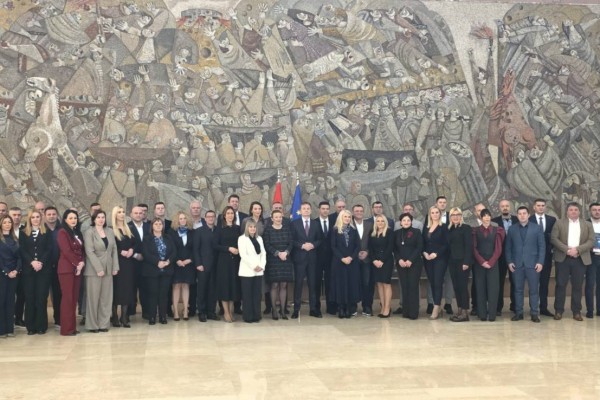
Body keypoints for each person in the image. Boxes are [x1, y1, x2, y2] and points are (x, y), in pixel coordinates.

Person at [550, 202, 595, 321]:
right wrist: (567, 250)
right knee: (560, 285)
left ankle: (576, 311)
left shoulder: (587, 224)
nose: (573, 212)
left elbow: (591, 240)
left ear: (579, 212)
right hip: (563, 258)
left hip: (580, 258)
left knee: (577, 286)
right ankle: (558, 311)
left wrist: (578, 250)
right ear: (567, 212)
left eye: (576, 210)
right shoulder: (559, 223)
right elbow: (554, 238)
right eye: (571, 210)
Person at [505, 206, 545, 323]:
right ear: (517, 215)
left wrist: (540, 262)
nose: (522, 215)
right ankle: (519, 313)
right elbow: (508, 248)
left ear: (528, 215)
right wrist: (509, 261)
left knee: (534, 290)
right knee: (518, 290)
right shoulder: (512, 229)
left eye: (524, 213)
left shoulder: (537, 228)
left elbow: (542, 247)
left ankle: (534, 313)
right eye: (520, 214)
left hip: (533, 264)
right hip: (517, 264)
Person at [83, 210, 119, 333]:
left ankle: (103, 324)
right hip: (94, 270)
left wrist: (115, 267)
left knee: (106, 298)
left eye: (103, 217)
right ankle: (92, 325)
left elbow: (114, 250)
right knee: (93, 299)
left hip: (108, 269)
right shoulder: (89, 232)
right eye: (98, 217)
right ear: (94, 219)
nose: (101, 219)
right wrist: (99, 269)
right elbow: (89, 252)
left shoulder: (110, 231)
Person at [20, 210, 51, 335]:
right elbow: (22, 250)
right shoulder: (23, 233)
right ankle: (31, 327)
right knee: (30, 298)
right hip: (28, 271)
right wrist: (32, 262)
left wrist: (41, 262)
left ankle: (41, 326)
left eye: (38, 217)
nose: (35, 219)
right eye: (33, 217)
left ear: (41, 218)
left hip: (43, 271)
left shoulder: (47, 232)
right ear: (29, 219)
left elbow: (49, 249)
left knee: (41, 298)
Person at [290, 202, 322, 318]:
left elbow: (320, 239)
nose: (306, 210)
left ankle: (313, 309)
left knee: (312, 285)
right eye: (304, 208)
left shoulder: (316, 224)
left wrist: (313, 245)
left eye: (308, 208)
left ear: (311, 210)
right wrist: (302, 246)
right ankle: (296, 310)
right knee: (298, 284)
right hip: (299, 258)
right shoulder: (294, 224)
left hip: (312, 259)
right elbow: (291, 240)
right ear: (300, 211)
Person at [473, 209, 505, 321]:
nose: (486, 218)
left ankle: (492, 315)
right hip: (479, 264)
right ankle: (482, 314)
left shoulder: (498, 230)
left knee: (493, 289)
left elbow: (498, 248)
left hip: (493, 263)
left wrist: (491, 262)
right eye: (484, 216)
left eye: (488, 215)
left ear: (491, 217)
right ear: (481, 218)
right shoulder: (475, 230)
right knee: (480, 288)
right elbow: (473, 248)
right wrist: (482, 261)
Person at [142, 218, 175, 325]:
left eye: (160, 224)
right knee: (153, 294)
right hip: (152, 270)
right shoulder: (147, 238)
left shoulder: (168, 237)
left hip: (166, 269)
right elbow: (146, 253)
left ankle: (163, 316)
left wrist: (168, 261)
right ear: (152, 226)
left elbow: (174, 251)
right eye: (156, 224)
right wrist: (157, 262)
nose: (158, 225)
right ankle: (152, 316)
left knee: (164, 295)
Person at [57, 209, 85, 336]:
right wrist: (78, 264)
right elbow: (67, 251)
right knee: (67, 298)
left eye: (75, 218)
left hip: (77, 269)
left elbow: (82, 250)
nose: (73, 220)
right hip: (67, 269)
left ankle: (72, 327)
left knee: (74, 298)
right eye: (71, 218)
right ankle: (66, 329)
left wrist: (82, 262)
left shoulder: (77, 232)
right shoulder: (62, 232)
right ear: (65, 220)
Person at [263, 210, 293, 320]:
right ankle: (274, 311)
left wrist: (286, 252)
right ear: (272, 218)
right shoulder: (268, 230)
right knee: (274, 285)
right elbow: (267, 245)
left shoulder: (287, 228)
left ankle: (283, 311)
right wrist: (278, 253)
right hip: (273, 260)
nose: (278, 219)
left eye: (280, 217)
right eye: (276, 217)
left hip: (285, 259)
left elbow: (291, 243)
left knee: (284, 285)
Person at [330, 210, 361, 318]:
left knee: (350, 284)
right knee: (340, 285)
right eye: (345, 217)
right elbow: (333, 246)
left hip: (352, 262)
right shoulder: (335, 230)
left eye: (349, 217)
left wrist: (351, 257)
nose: (347, 218)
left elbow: (358, 246)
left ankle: (349, 308)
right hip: (339, 262)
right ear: (341, 218)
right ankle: (341, 308)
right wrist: (342, 258)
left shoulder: (353, 230)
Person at [529, 198, 556, 317]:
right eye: (538, 205)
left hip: (546, 257)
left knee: (544, 283)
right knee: (533, 284)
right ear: (534, 207)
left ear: (545, 207)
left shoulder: (552, 220)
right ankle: (533, 308)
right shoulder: (529, 220)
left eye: (543, 205)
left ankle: (544, 308)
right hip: (532, 257)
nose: (541, 207)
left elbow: (554, 237)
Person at [111, 206, 137, 328]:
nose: (121, 214)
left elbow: (135, 243)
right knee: (116, 289)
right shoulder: (111, 230)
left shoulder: (129, 228)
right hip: (117, 263)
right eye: (119, 212)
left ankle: (124, 317)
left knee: (127, 289)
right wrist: (120, 251)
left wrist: (132, 249)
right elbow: (110, 247)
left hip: (128, 264)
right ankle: (115, 316)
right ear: (115, 215)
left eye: (123, 212)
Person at [394, 213, 423, 320]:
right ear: (400, 222)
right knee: (404, 286)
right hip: (401, 264)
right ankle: (405, 311)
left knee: (412, 287)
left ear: (411, 222)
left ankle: (413, 312)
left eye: (408, 220)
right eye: (404, 220)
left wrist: (410, 260)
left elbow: (419, 247)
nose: (406, 222)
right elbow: (395, 249)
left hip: (414, 263)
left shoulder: (416, 232)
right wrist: (399, 259)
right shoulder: (397, 233)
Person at [447, 207, 473, 322]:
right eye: (453, 215)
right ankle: (459, 309)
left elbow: (469, 246)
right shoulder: (449, 229)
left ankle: (465, 313)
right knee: (456, 286)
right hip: (452, 262)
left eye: (458, 214)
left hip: (463, 262)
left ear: (461, 216)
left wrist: (466, 262)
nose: (455, 217)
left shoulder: (466, 228)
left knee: (463, 286)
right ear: (450, 217)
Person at [215, 206, 241, 323]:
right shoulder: (219, 230)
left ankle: (231, 310)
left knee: (233, 286)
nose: (230, 215)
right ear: (224, 216)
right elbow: (215, 245)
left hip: (235, 261)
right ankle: (226, 312)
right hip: (224, 262)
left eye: (232, 213)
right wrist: (228, 248)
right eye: (228, 213)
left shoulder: (238, 228)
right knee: (225, 287)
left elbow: (242, 242)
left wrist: (239, 249)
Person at [491, 199, 518, 315]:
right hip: (500, 257)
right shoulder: (494, 221)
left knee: (515, 282)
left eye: (507, 206)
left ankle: (515, 306)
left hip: (515, 256)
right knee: (499, 282)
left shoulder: (517, 220)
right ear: (499, 208)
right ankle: (498, 307)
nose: (505, 208)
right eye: (502, 206)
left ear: (510, 207)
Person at [422, 206, 449, 320]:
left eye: (437, 212)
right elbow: (422, 242)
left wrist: (436, 254)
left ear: (440, 214)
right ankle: (436, 304)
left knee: (438, 282)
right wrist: (424, 253)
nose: (435, 214)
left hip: (440, 259)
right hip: (427, 259)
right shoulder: (426, 227)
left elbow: (446, 244)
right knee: (432, 282)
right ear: (430, 214)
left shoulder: (444, 227)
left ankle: (436, 307)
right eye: (432, 212)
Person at [238, 220, 266, 323]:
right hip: (247, 271)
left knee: (257, 295)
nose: (253, 229)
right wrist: (254, 266)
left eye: (254, 227)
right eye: (250, 227)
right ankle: (248, 316)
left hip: (259, 271)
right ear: (247, 228)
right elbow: (243, 255)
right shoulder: (242, 239)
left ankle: (256, 315)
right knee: (247, 295)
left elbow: (263, 253)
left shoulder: (259, 238)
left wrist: (261, 266)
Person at [193, 210, 219, 322]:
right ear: (205, 218)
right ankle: (202, 312)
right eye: (208, 216)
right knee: (202, 289)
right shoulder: (199, 231)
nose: (211, 218)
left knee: (213, 289)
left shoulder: (218, 230)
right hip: (203, 265)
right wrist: (198, 263)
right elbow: (195, 249)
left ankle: (211, 312)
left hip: (216, 265)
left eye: (213, 216)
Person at [169, 211, 195, 321]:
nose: (183, 220)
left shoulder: (192, 232)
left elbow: (195, 248)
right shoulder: (172, 232)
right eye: (180, 218)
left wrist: (190, 259)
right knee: (176, 286)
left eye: (184, 218)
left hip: (188, 264)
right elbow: (171, 248)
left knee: (185, 286)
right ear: (177, 220)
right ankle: (175, 311)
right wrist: (177, 260)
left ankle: (185, 311)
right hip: (176, 263)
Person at [369, 215, 394, 317]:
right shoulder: (372, 232)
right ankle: (382, 307)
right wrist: (374, 260)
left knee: (386, 284)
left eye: (382, 221)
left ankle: (387, 308)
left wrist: (382, 261)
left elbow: (390, 247)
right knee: (379, 284)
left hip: (386, 261)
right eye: (378, 221)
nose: (380, 223)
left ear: (385, 222)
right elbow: (370, 248)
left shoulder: (389, 232)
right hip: (375, 261)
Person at [0, 215, 21, 338]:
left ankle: (10, 329)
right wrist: (6, 271)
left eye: (9, 222)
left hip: (14, 274)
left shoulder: (15, 239)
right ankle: (2, 330)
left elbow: (20, 257)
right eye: (4, 222)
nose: (7, 224)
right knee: (1, 300)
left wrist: (16, 270)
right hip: (2, 273)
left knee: (10, 301)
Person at [128, 206, 150, 318]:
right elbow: (125, 244)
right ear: (131, 214)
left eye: (140, 213)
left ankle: (146, 311)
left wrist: (145, 255)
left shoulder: (149, 226)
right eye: (135, 213)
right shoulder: (127, 227)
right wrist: (135, 255)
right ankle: (130, 310)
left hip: (146, 262)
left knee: (145, 288)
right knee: (131, 286)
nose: (138, 215)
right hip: (131, 262)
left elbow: (151, 243)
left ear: (143, 214)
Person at [353, 204, 374, 316]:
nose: (359, 212)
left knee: (367, 283)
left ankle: (367, 306)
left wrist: (367, 252)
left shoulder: (370, 225)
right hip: (353, 259)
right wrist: (356, 253)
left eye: (361, 211)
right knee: (354, 282)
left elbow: (373, 242)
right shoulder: (349, 224)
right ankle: (353, 307)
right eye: (357, 211)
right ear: (353, 212)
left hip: (367, 259)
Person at [315, 201, 336, 315]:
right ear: (319, 209)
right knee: (316, 283)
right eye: (323, 208)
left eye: (327, 209)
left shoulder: (334, 222)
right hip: (317, 258)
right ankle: (316, 307)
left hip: (331, 258)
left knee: (330, 283)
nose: (325, 211)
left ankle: (331, 307)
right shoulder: (314, 222)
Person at [44, 206, 61, 327]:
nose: (51, 216)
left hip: (59, 267)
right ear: (45, 216)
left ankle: (58, 319)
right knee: (42, 295)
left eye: (53, 214)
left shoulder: (62, 229)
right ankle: (42, 322)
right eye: (49, 214)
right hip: (44, 268)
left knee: (58, 294)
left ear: (57, 215)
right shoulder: (41, 229)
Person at [586, 203, 600, 318]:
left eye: (599, 210)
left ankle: (599, 310)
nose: (597, 212)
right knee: (590, 284)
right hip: (591, 257)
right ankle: (590, 310)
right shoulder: (585, 223)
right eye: (594, 210)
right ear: (590, 211)